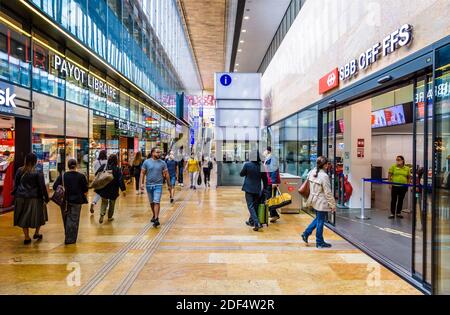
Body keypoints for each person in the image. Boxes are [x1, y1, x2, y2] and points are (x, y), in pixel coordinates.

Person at [13, 153, 49, 245]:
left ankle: (26, 237)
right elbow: (42, 186)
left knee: (23, 216)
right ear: (35, 161)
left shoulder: (19, 170)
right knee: (39, 215)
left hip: (20, 197)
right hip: (35, 197)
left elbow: (16, 184)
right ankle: (36, 233)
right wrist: (46, 198)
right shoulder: (38, 171)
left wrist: (15, 193)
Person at [301, 156, 336, 248]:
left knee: (318, 219)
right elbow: (328, 193)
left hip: (314, 200)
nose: (328, 166)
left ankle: (306, 233)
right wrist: (333, 205)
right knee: (320, 221)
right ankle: (319, 242)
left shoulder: (312, 172)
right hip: (321, 202)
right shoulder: (324, 176)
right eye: (327, 164)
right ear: (324, 165)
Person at [53, 159, 88, 245]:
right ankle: (71, 239)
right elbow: (85, 189)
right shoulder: (81, 176)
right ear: (76, 165)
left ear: (68, 166)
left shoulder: (63, 176)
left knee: (66, 219)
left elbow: (54, 187)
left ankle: (68, 236)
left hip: (64, 201)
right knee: (74, 220)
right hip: (77, 201)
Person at [140, 147, 171, 227]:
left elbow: (167, 174)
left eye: (159, 152)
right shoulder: (146, 162)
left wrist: (169, 184)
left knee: (156, 201)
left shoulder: (163, 163)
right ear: (152, 153)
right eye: (157, 152)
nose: (159, 154)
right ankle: (154, 215)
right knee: (151, 202)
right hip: (148, 185)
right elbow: (142, 173)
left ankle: (156, 219)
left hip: (158, 185)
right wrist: (141, 183)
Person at [240, 151, 268, 231]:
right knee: (255, 206)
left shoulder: (247, 165)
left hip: (248, 189)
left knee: (250, 206)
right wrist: (265, 190)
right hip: (257, 189)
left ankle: (256, 223)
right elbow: (265, 180)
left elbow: (241, 174)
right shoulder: (261, 166)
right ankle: (251, 221)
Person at [94, 154, 126, 224]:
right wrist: (123, 189)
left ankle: (102, 214)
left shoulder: (104, 167)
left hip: (104, 187)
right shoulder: (117, 169)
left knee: (104, 202)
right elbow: (120, 180)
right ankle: (109, 217)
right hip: (113, 189)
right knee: (112, 203)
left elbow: (96, 174)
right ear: (116, 161)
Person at [263, 146, 281, 223]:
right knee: (269, 198)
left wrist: (273, 182)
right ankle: (273, 213)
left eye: (265, 150)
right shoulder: (268, 158)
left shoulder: (272, 158)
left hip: (271, 182)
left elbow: (274, 170)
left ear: (268, 151)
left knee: (270, 199)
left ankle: (274, 214)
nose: (263, 152)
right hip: (268, 181)